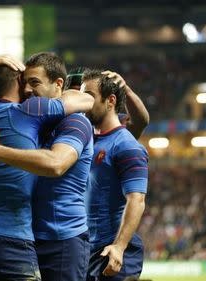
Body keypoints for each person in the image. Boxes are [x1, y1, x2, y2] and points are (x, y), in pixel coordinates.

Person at [0, 54, 94, 281]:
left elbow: (57, 163)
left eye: (34, 82)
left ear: (58, 84)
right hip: (18, 237)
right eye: (24, 82)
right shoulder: (28, 113)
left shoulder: (72, 121)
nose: (27, 89)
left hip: (59, 239)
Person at [82, 69, 148, 281]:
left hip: (115, 250)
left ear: (110, 101)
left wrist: (119, 247)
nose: (84, 102)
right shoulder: (85, 139)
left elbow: (136, 199)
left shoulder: (126, 145)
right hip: (89, 250)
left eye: (90, 96)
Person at [65, 66, 150, 139]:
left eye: (88, 94)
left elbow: (140, 122)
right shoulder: (60, 121)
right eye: (74, 92)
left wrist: (126, 90)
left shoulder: (106, 121)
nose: (81, 97)